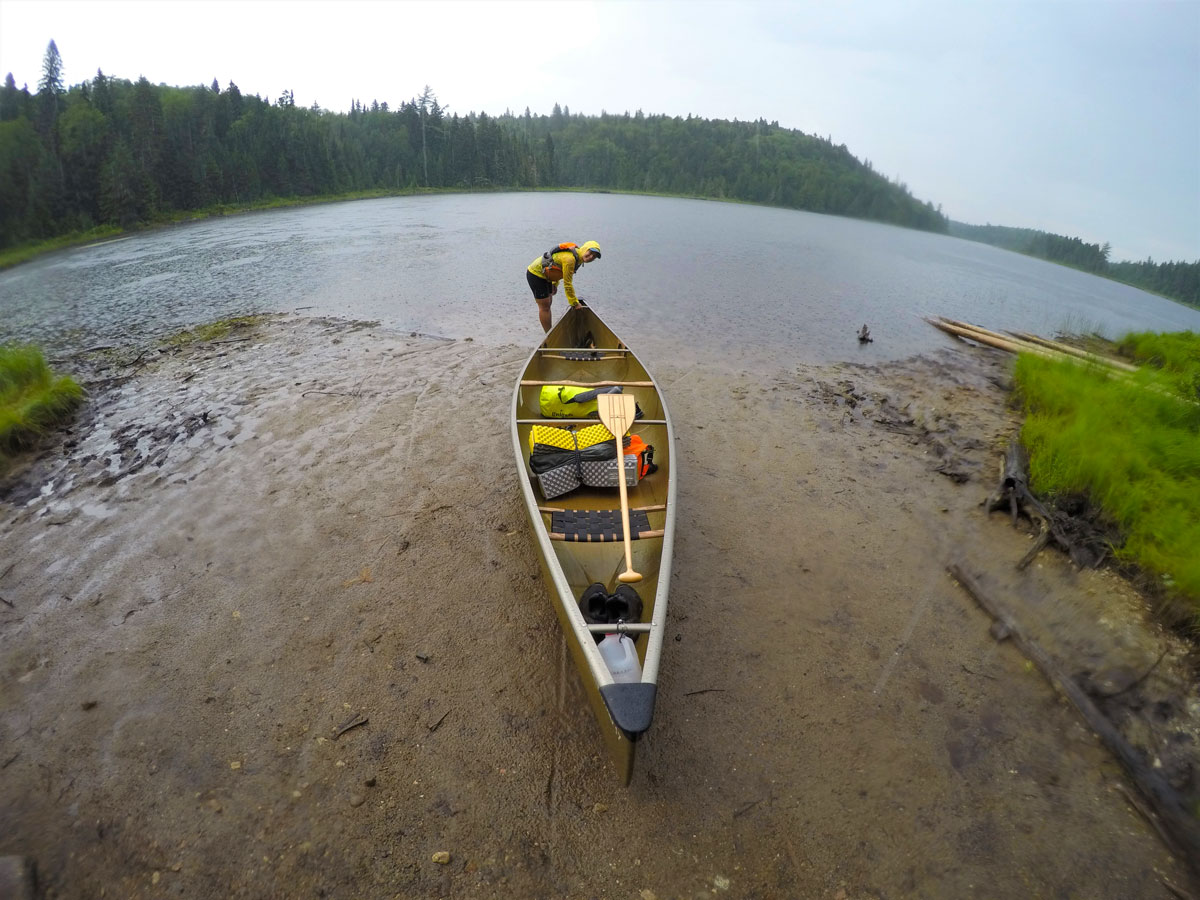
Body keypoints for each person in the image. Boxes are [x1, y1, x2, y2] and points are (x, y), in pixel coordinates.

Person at [526, 240, 602, 332]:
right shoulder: (570, 259)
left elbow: (558, 269)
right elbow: (567, 284)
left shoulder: (578, 258)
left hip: (547, 276)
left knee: (549, 302)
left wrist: (555, 283)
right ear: (585, 249)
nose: (591, 257)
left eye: (594, 256)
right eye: (590, 253)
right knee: (544, 307)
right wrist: (574, 302)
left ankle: (550, 331)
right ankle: (549, 336)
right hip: (536, 274)